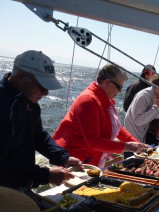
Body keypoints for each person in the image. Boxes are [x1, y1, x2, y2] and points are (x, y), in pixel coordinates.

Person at [0, 50, 82, 189]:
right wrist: (45, 175)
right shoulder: (3, 106)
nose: (46, 92)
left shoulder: (30, 104)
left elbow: (38, 135)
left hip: (22, 185)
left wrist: (63, 157)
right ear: (20, 77)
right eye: (42, 86)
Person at [53, 64, 147, 168]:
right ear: (107, 82)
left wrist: (139, 145)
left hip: (93, 160)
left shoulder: (106, 99)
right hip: (76, 162)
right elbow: (94, 142)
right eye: (119, 87)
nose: (120, 91)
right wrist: (127, 146)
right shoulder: (88, 100)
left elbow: (117, 128)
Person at [124, 73, 159, 157]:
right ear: (155, 85)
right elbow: (138, 121)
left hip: (143, 139)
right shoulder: (143, 96)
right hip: (133, 140)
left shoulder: (158, 96)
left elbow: (154, 116)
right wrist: (156, 106)